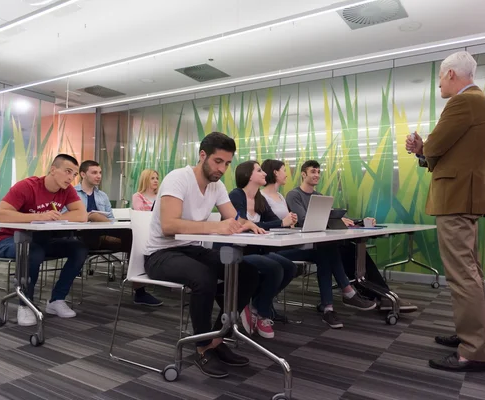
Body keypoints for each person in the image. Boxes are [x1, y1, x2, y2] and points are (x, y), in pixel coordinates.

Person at [144, 132, 261, 379]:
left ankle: (216, 341)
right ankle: (201, 348)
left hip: (189, 250)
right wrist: (215, 226)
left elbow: (232, 217)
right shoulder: (178, 178)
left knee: (247, 272)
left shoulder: (216, 186)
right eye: (218, 161)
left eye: (227, 164)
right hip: (159, 254)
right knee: (204, 277)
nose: (222, 169)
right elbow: (169, 225)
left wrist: (245, 223)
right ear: (202, 155)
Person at [406, 51, 485, 372]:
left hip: (456, 198)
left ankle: (472, 350)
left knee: (462, 275)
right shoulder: (478, 102)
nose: (439, 85)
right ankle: (470, 336)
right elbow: (443, 149)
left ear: (452, 74)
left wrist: (421, 147)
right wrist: (426, 149)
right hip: (464, 196)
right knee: (469, 272)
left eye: (441, 78)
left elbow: (437, 144)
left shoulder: (462, 102)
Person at [285, 160, 417, 313]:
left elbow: (333, 217)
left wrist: (360, 222)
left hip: (324, 242)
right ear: (303, 174)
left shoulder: (319, 196)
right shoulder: (294, 195)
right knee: (344, 252)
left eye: (318, 172)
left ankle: (380, 294)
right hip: (308, 244)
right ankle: (372, 294)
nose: (317, 175)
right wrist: (333, 219)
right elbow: (303, 219)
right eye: (313, 172)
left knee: (353, 251)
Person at [260, 159, 377, 329]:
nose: (287, 173)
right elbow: (297, 220)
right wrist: (286, 222)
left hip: (294, 243)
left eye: (318, 172)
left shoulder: (281, 197)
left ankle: (329, 307)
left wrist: (348, 220)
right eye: (284, 170)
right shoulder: (277, 196)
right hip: (279, 248)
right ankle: (346, 292)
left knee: (327, 251)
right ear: (276, 172)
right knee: (327, 251)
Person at [0, 154, 89, 326]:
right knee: (33, 251)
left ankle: (56, 300)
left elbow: (81, 215)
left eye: (74, 174)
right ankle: (25, 304)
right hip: (10, 240)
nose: (70, 178)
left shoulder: (66, 190)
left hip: (41, 240)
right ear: (53, 170)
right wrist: (39, 216)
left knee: (79, 248)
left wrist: (57, 218)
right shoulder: (27, 186)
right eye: (67, 171)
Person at [73, 160, 162, 306]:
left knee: (134, 238)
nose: (99, 176)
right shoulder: (72, 193)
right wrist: (89, 217)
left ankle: (140, 291)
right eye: (94, 172)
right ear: (83, 174)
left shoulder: (102, 196)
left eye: (100, 172)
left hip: (102, 235)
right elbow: (66, 216)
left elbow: (111, 220)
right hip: (79, 235)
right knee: (93, 219)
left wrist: (98, 218)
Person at [229, 161, 298, 339]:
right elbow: (242, 223)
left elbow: (274, 223)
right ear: (248, 175)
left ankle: (256, 305)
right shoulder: (236, 195)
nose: (264, 174)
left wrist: (287, 221)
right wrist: (279, 223)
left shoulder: (259, 198)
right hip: (236, 252)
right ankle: (263, 314)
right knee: (274, 268)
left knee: (290, 267)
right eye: (259, 171)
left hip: (256, 250)